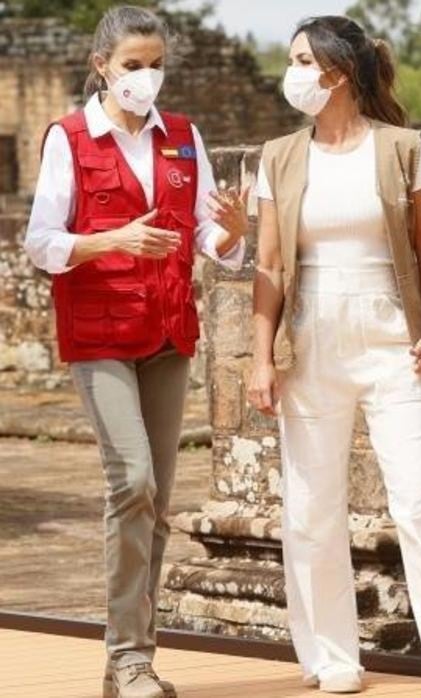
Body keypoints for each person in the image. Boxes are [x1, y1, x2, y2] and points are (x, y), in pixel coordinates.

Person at [245, 15, 421, 695]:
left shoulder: (403, 148)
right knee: (311, 506)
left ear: (340, 72)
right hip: (310, 337)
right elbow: (268, 263)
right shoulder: (278, 157)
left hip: (390, 332)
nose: (292, 72)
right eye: (290, 58)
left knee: (418, 498)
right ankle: (331, 657)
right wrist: (260, 356)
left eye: (304, 60)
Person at [22, 6, 249, 698]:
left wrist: (233, 232)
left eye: (155, 65)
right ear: (102, 68)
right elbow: (41, 243)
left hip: (167, 333)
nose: (146, 77)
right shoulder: (69, 138)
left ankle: (133, 660)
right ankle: (127, 655)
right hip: (99, 334)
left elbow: (207, 237)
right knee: (134, 483)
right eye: (132, 65)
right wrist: (111, 240)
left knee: (158, 499)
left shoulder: (182, 137)